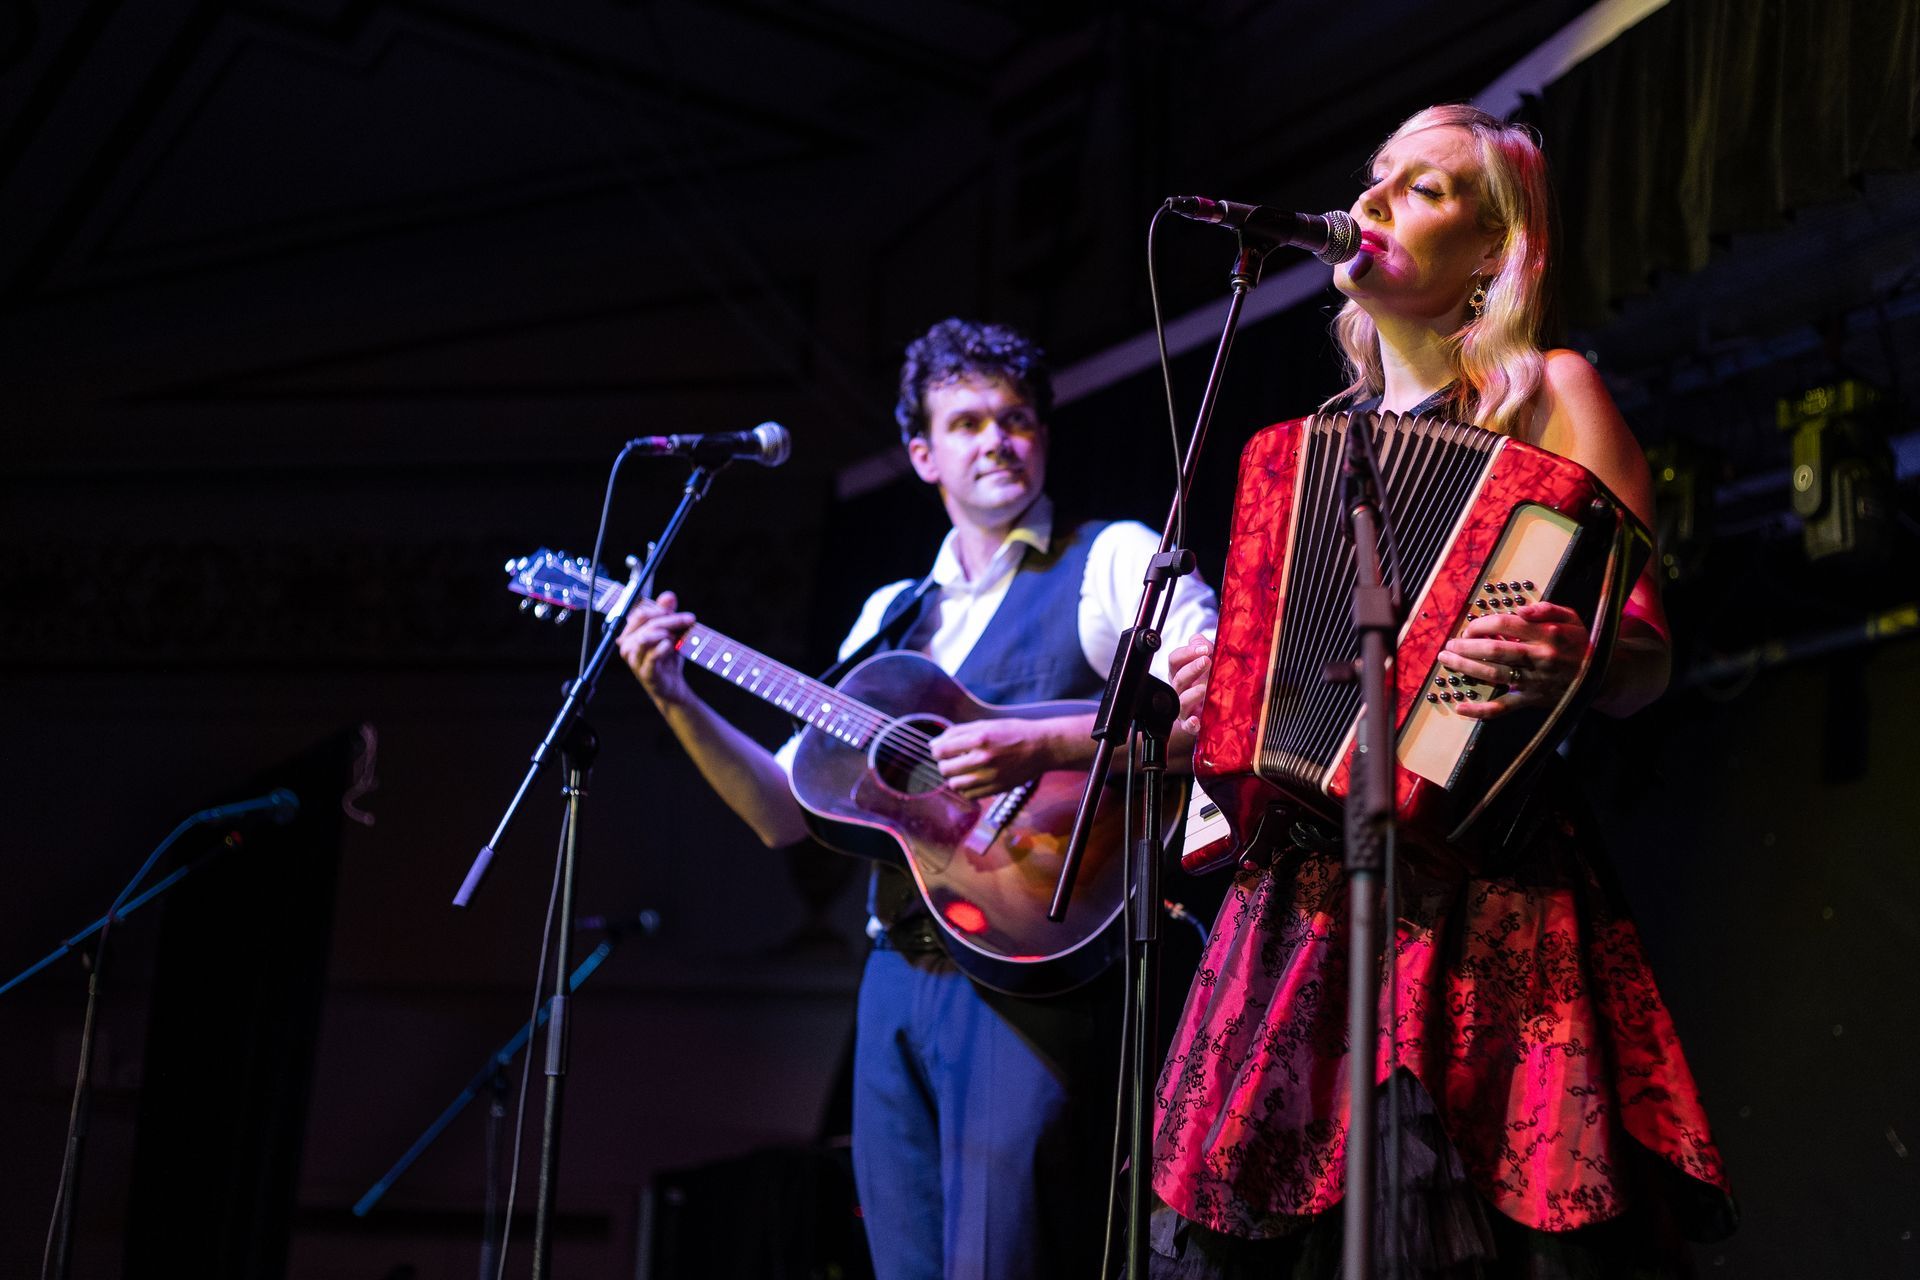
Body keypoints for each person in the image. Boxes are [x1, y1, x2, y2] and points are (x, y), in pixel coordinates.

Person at [1147, 105, 1736, 1277]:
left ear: (1493, 251)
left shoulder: (1549, 393)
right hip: (1301, 903)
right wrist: (1224, 683)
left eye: (1424, 188)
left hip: (1481, 884)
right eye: (1375, 179)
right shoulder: (1310, 443)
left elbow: (1646, 653)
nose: (1373, 203)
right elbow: (1276, 694)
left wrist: (1583, 655)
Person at [618, 317, 1218, 1280]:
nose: (997, 441)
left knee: (1001, 1257)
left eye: (1017, 419)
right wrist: (673, 694)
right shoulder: (891, 616)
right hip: (899, 969)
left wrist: (1041, 745)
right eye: (970, 422)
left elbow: (1215, 708)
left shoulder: (1108, 561)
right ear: (920, 454)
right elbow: (782, 807)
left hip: (1039, 964)